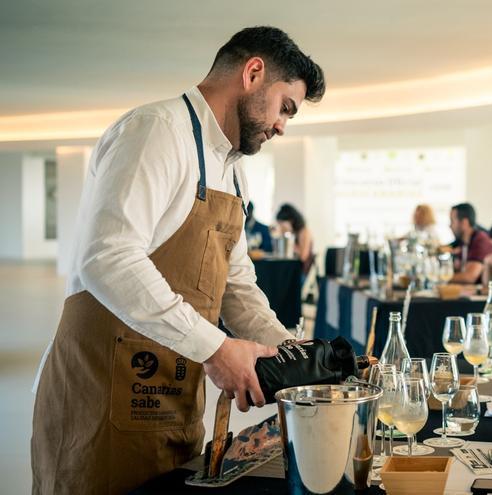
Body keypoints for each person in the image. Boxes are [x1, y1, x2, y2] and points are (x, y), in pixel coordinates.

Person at [31, 26, 325, 494]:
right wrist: (216, 349)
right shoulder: (156, 131)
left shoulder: (234, 173)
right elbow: (107, 257)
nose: (283, 126)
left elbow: (238, 287)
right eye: (285, 107)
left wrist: (295, 359)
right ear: (253, 73)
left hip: (175, 397)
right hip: (102, 394)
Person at [447, 203, 492, 284]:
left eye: (452, 221)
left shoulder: (481, 240)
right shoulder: (461, 242)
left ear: (464, 223)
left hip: (479, 294)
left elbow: (469, 277)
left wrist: (440, 277)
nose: (450, 225)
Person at [276, 202, 314, 270]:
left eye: (282, 224)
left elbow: (303, 256)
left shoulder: (304, 232)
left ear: (291, 221)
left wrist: (288, 244)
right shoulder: (293, 233)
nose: (281, 228)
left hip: (304, 271)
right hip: (294, 268)